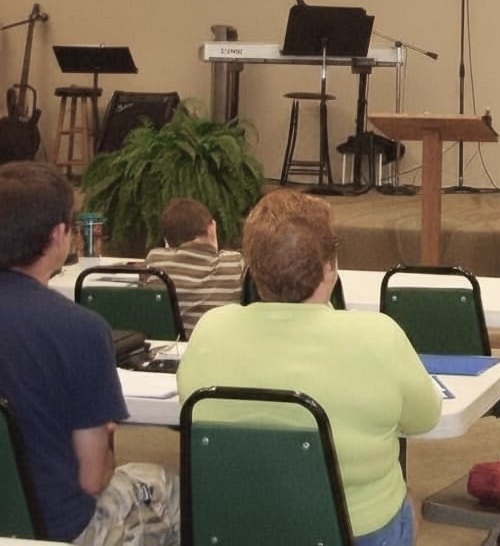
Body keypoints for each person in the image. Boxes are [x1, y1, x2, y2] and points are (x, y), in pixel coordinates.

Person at [177, 189, 441, 546]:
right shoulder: (378, 336)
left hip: (238, 527)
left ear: (252, 269)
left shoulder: (210, 330)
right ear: (329, 266)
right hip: (355, 531)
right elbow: (424, 419)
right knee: (410, 504)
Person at [0, 161, 179, 545]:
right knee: (168, 487)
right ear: (59, 235)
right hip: (58, 529)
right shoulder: (80, 329)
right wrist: (106, 435)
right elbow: (93, 479)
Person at [144, 197, 244, 336]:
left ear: (167, 240)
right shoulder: (234, 262)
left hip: (172, 348)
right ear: (210, 229)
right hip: (218, 346)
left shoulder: (155, 260)